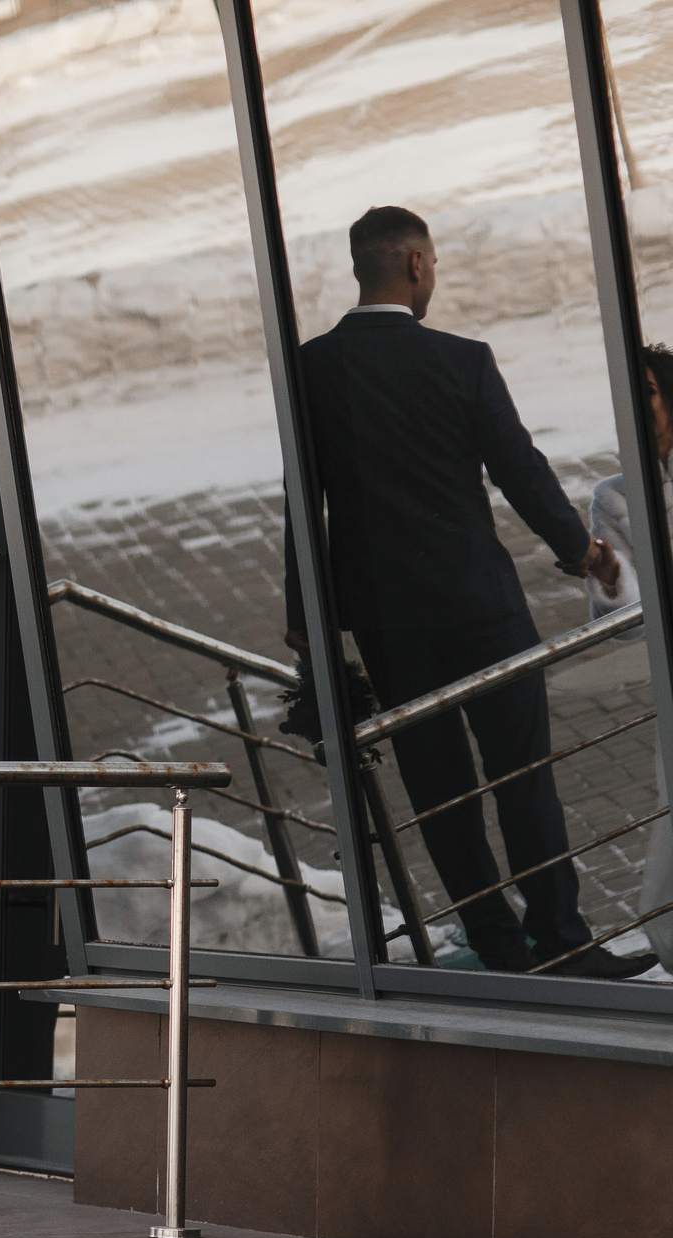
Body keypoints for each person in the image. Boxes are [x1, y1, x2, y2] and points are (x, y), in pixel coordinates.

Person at [288, 205, 653, 978]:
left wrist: (304, 623)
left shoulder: (311, 369)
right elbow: (518, 468)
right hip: (482, 607)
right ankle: (560, 938)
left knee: (441, 793)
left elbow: (303, 502)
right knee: (523, 776)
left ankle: (496, 944)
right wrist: (582, 550)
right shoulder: (462, 361)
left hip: (388, 623)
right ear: (417, 265)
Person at [584, 341, 673, 972]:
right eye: (627, 397)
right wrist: (612, 579)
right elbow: (619, 625)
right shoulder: (613, 498)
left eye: (646, 390)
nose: (638, 408)